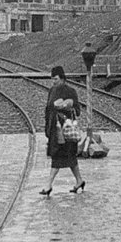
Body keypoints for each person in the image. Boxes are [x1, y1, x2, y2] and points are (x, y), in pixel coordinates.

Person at [40, 66, 85, 195]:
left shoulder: (71, 91)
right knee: (69, 158)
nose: (53, 82)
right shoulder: (52, 91)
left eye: (56, 79)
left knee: (58, 157)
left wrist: (66, 105)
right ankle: (79, 181)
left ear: (63, 78)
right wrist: (47, 128)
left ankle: (48, 186)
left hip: (66, 130)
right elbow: (48, 109)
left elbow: (77, 111)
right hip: (55, 130)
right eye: (52, 79)